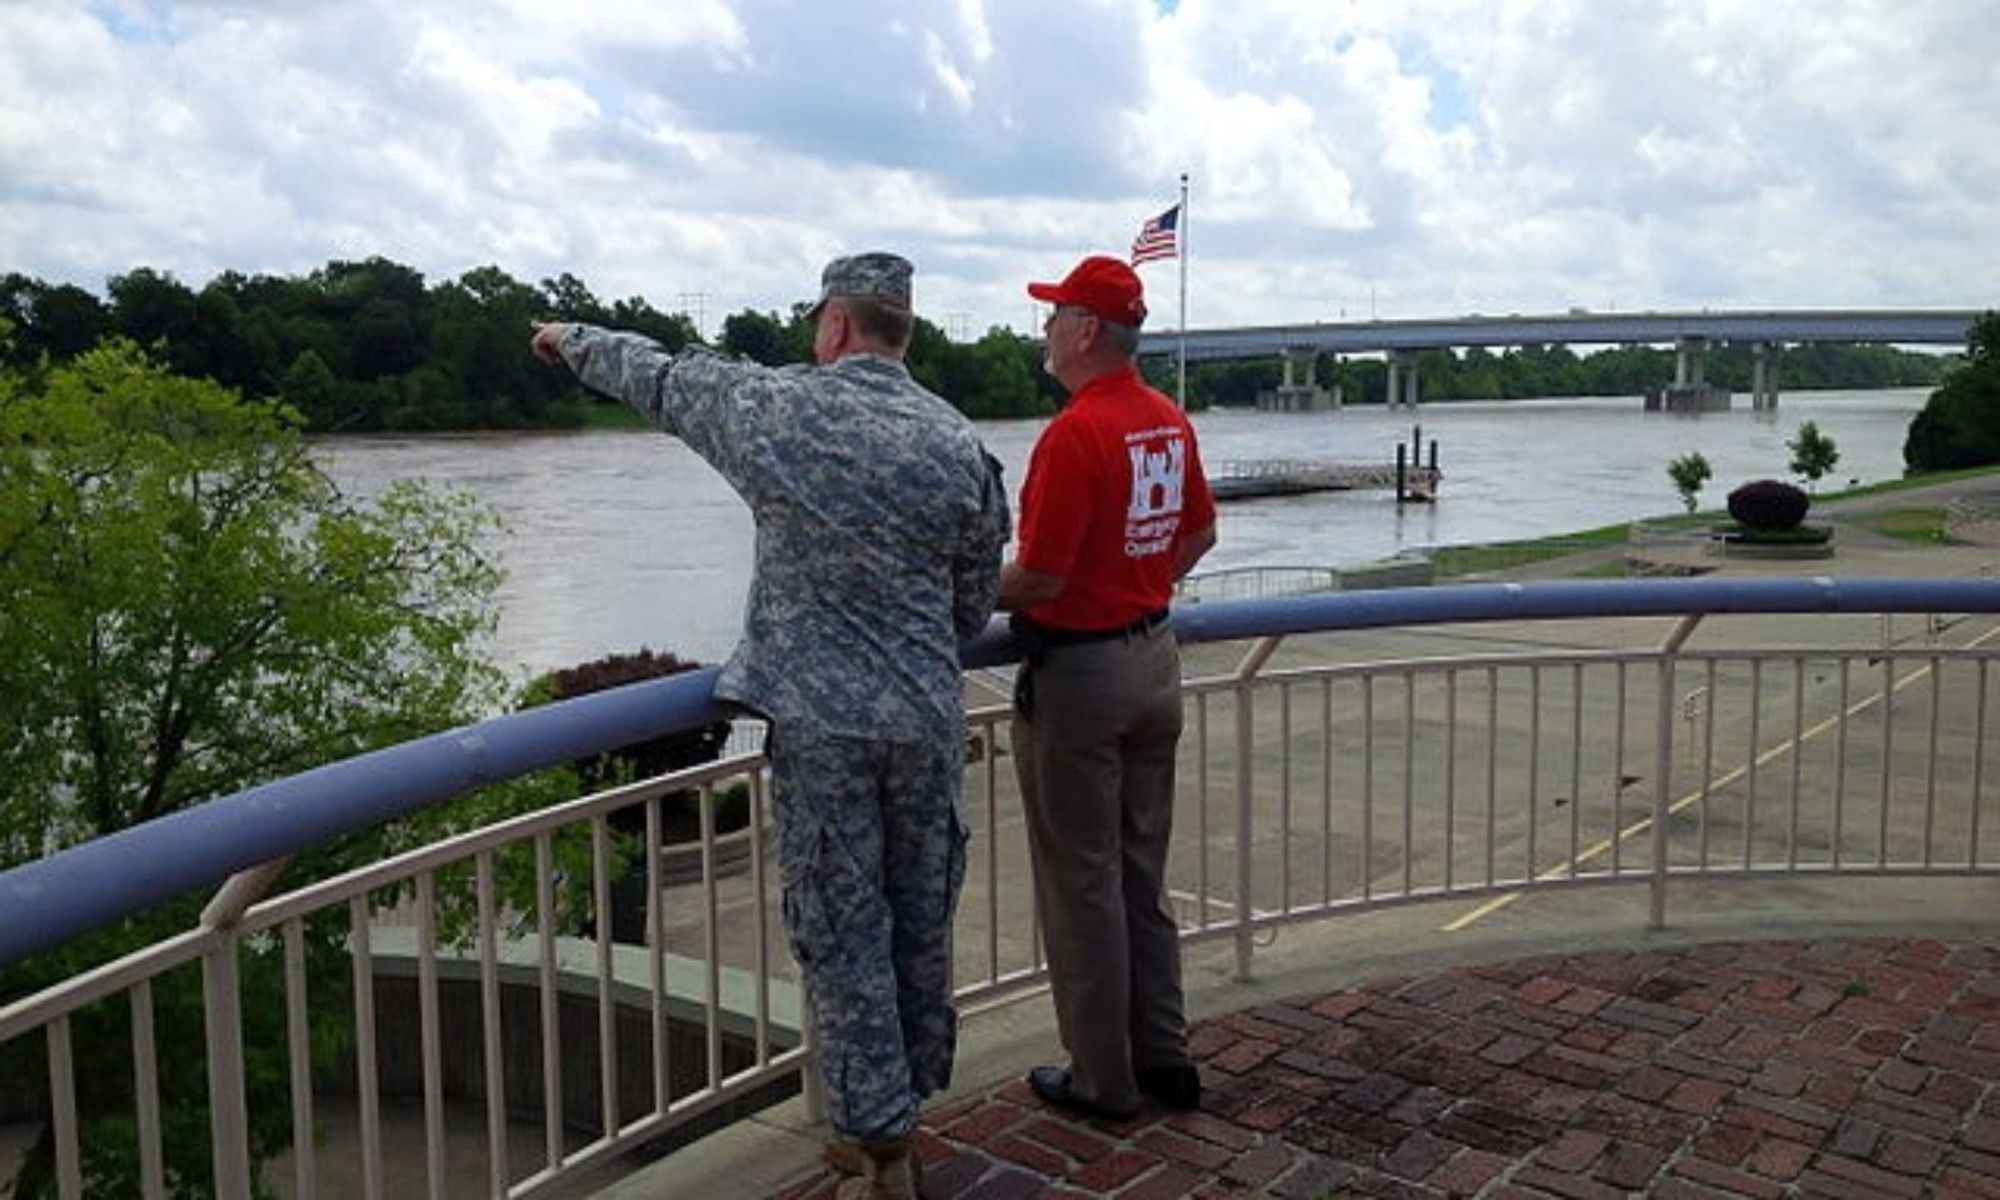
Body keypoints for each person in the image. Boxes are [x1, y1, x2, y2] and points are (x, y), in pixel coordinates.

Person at [531, 253, 1010, 1200]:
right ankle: (908, 1103)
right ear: (901, 328)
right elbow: (971, 605)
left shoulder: (778, 412)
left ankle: (876, 1148)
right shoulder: (957, 442)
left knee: (841, 932)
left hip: (824, 731)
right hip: (923, 720)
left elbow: (662, 377)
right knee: (919, 920)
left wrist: (567, 339)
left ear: (834, 325)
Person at [998, 255, 1217, 1120]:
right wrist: (1138, 580)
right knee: (1139, 874)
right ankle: (1166, 1057)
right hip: (1154, 658)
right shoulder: (1168, 421)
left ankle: (1102, 1080)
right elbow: (1198, 533)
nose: (1044, 331)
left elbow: (1039, 580)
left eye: (1054, 317)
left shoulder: (1074, 434)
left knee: (1081, 883)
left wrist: (957, 584)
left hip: (1081, 677)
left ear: (1086, 332)